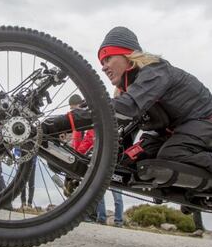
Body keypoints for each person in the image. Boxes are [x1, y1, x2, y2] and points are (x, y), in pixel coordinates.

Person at [43, 26, 212, 174]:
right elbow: (123, 131)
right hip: (173, 131)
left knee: (172, 154)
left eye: (108, 58)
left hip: (203, 121)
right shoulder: (134, 88)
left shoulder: (155, 70)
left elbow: (124, 108)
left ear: (128, 57)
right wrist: (84, 169)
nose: (103, 67)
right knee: (130, 163)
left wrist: (60, 123)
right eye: (102, 62)